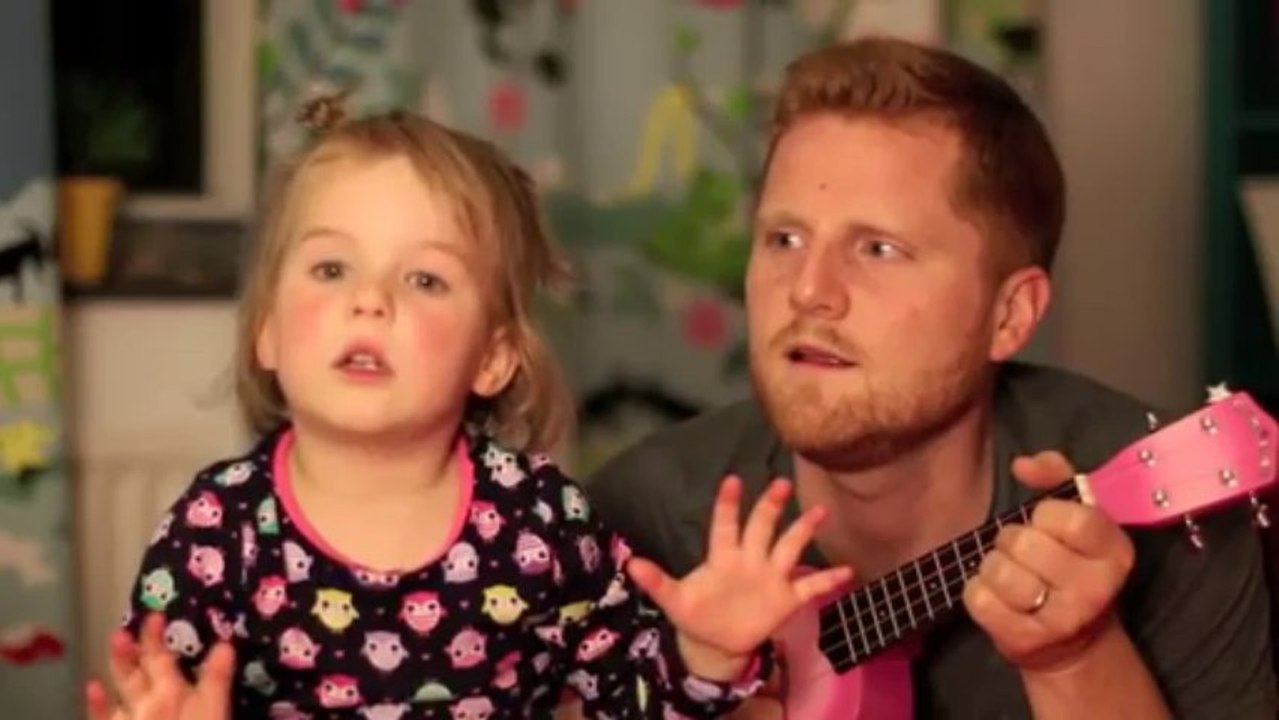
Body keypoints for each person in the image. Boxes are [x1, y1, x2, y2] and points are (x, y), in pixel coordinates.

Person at [82, 103, 854, 719]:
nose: (369, 299)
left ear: (492, 356)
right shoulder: (215, 528)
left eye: (423, 280)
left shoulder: (540, 521)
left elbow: (632, 703)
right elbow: (157, 690)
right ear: (268, 333)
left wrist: (707, 654)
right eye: (330, 267)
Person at [586, 37, 1277, 719]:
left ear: (1009, 315)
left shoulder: (1172, 515)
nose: (807, 291)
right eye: (784, 240)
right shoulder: (639, 520)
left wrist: (1074, 657)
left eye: (878, 249)